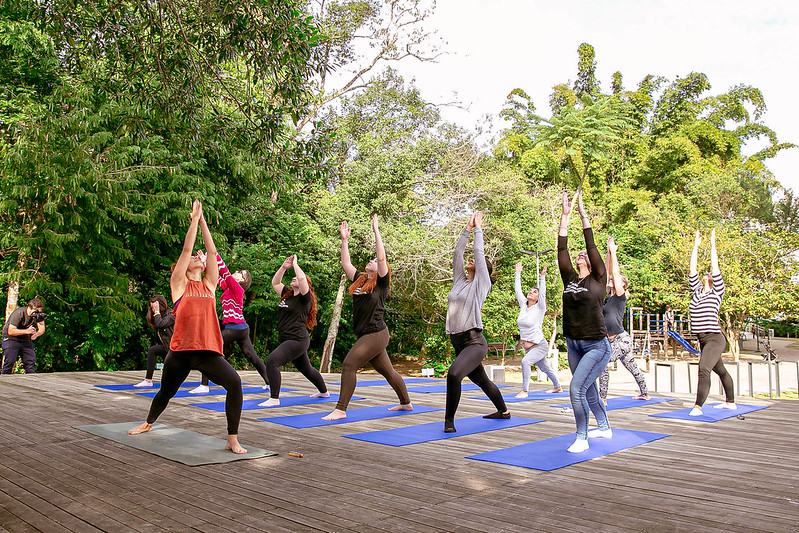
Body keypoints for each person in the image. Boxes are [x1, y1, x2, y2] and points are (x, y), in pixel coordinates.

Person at [128, 200, 246, 454]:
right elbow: (186, 249)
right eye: (194, 258)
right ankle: (148, 422)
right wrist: (193, 219)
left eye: (198, 258)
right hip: (180, 352)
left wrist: (204, 223)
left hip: (208, 352)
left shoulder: (209, 285)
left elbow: (212, 254)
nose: (197, 257)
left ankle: (232, 438)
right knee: (166, 392)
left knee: (235, 383)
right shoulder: (179, 285)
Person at [321, 215, 413, 421]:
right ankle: (406, 403)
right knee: (388, 372)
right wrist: (344, 240)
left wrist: (376, 231)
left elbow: (381, 259)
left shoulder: (381, 283)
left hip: (376, 333)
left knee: (349, 364)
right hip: (364, 334)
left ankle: (341, 409)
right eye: (369, 260)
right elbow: (346, 263)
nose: (370, 261)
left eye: (373, 260)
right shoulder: (361, 279)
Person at [443, 211, 509, 433]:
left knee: (454, 374)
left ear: (484, 271)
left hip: (474, 342)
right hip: (458, 343)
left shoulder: (482, 284)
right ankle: (503, 411)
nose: (472, 260)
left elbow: (478, 253)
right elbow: (457, 254)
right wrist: (467, 230)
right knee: (482, 380)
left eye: (478, 262)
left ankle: (449, 422)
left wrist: (479, 229)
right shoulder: (460, 281)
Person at [557, 190, 612, 453]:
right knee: (588, 390)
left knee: (576, 389)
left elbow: (591, 246)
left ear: (591, 262)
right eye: (578, 254)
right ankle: (604, 426)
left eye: (584, 254)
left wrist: (582, 214)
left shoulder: (599, 278)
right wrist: (565, 217)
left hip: (596, 345)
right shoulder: (569, 279)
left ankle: (582, 436)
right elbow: (561, 248)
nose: (581, 254)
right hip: (573, 343)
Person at [188, 252, 268, 394]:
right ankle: (270, 382)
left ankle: (204, 385)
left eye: (240, 273)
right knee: (251, 356)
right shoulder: (229, 287)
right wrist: (206, 263)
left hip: (236, 328)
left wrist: (214, 254)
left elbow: (224, 272)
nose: (236, 272)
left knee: (210, 349)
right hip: (239, 328)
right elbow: (217, 278)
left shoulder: (238, 289)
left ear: (242, 281)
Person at [258, 254, 329, 407]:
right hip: (287, 339)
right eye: (294, 278)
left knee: (272, 361)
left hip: (297, 340)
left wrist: (296, 264)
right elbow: (275, 282)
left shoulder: (304, 298)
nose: (294, 279)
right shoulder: (287, 295)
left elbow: (302, 279)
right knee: (307, 369)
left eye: (297, 278)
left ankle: (274, 398)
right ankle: (324, 391)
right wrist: (284, 267)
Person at [688, 229, 735, 416]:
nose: (707, 273)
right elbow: (692, 269)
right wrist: (696, 246)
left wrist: (713, 244)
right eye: (705, 273)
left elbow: (715, 267)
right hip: (703, 340)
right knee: (720, 370)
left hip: (715, 339)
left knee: (703, 368)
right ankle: (730, 401)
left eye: (710, 274)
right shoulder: (697, 291)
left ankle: (698, 406)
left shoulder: (717, 292)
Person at [598, 236, 650, 404]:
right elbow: (606, 274)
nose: (611, 281)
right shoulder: (607, 297)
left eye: (615, 280)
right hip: (611, 340)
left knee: (602, 363)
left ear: (623, 285)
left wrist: (614, 253)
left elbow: (615, 273)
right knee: (633, 368)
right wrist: (607, 252)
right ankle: (645, 393)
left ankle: (603, 398)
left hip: (621, 340)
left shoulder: (620, 297)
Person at [513, 262, 562, 397]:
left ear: (538, 297)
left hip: (539, 345)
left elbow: (543, 293)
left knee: (525, 362)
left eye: (535, 292)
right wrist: (517, 274)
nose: (531, 292)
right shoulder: (523, 306)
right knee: (545, 367)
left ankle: (524, 390)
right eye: (531, 290)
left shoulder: (540, 308)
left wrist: (542, 277)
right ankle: (558, 386)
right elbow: (518, 290)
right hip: (528, 346)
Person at [133, 295, 175, 387]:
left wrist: (156, 311)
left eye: (154, 307)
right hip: (166, 347)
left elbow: (161, 324)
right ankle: (148, 380)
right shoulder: (157, 317)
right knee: (152, 350)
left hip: (174, 348)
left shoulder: (172, 315)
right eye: (152, 308)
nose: (153, 310)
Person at [1, 298, 46, 374]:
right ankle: (4, 380)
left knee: (30, 361)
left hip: (25, 339)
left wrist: (36, 334)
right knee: (10, 361)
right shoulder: (19, 313)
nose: (38, 313)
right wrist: (27, 331)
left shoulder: (37, 315)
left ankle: (31, 381)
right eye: (36, 311)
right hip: (11, 338)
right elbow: (11, 331)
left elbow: (42, 328)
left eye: (39, 311)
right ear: (29, 308)